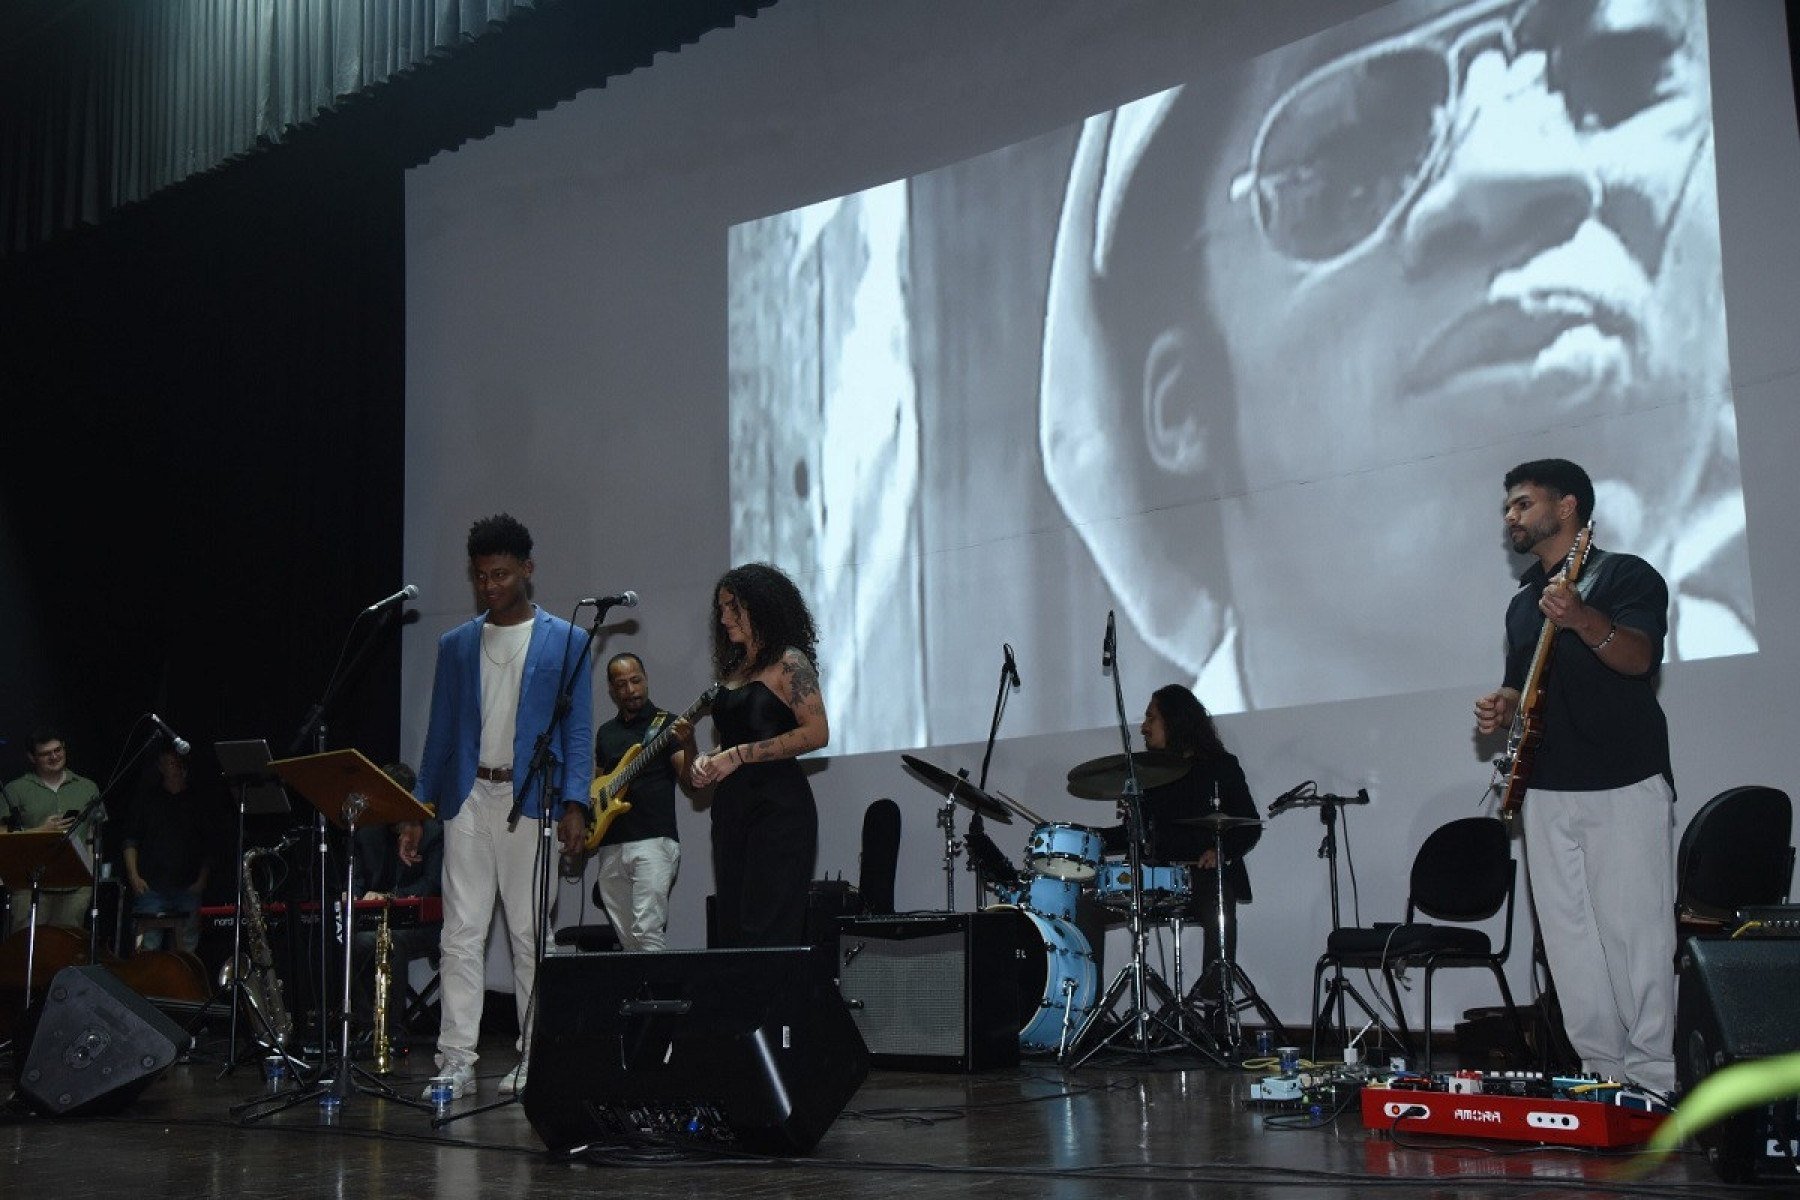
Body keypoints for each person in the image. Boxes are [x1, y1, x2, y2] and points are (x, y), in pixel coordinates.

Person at [1039, 0, 1747, 712]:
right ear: (1184, 404)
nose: (1526, 168)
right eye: (1355, 148)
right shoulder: (1192, 812)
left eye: (1621, 71)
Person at [1474, 458, 1675, 1097]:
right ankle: (1599, 1076)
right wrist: (1502, 704)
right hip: (1545, 786)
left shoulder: (1626, 574)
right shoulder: (1521, 604)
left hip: (1623, 778)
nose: (1512, 516)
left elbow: (1639, 658)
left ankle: (1655, 1078)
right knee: (1568, 944)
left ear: (1568, 508)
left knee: (1635, 935)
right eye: (1508, 507)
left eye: (1524, 503)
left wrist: (1583, 618)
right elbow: (1521, 681)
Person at [415, 514, 593, 1100]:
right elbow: (440, 733)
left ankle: (533, 1056)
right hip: (468, 798)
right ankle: (456, 1061)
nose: (489, 586)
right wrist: (420, 806)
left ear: (527, 571)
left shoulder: (566, 640)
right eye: (480, 577)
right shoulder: (457, 645)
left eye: (500, 574)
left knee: (527, 933)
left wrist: (574, 804)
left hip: (532, 800)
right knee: (460, 934)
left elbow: (577, 733)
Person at [688, 563, 829, 948]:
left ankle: (777, 1010)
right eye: (721, 608)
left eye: (733, 607)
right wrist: (710, 760)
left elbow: (816, 733)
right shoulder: (735, 668)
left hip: (778, 809)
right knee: (732, 930)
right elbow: (739, 736)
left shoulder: (789, 661)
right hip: (732, 809)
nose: (723, 617)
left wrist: (736, 755)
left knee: (766, 930)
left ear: (760, 606)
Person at [1097, 685, 1260, 1000]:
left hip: (1201, 878)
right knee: (1088, 907)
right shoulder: (1148, 774)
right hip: (1155, 880)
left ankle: (1215, 1011)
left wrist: (1220, 850)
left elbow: (1247, 826)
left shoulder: (1221, 766)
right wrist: (1089, 837)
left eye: (1151, 718)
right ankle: (1081, 1014)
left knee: (1219, 900)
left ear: (1176, 720)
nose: (1143, 727)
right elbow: (1134, 834)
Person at [591, 653, 694, 952]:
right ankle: (641, 995)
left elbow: (689, 781)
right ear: (612, 690)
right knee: (629, 940)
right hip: (611, 845)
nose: (631, 689)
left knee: (648, 930)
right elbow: (598, 786)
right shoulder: (605, 733)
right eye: (621, 684)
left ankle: (655, 999)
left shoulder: (668, 724)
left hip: (654, 840)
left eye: (636, 681)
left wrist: (689, 744)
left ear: (646, 679)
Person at [350, 762, 443, 1032]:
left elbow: (433, 886)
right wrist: (353, 895)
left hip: (422, 925)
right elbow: (358, 880)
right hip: (375, 921)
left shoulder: (432, 833)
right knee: (347, 942)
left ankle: (392, 1028)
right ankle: (366, 1022)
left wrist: (388, 897)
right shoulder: (368, 831)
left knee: (390, 940)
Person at [3, 727, 103, 933]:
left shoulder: (87, 787)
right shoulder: (15, 789)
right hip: (29, 884)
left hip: (75, 885)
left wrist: (92, 876)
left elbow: (95, 834)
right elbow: (3, 837)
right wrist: (42, 830)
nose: (54, 756)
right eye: (45, 753)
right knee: (26, 948)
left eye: (58, 750)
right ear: (32, 757)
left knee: (66, 950)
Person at [121, 746, 210, 952]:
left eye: (179, 762)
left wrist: (201, 880)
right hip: (151, 885)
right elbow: (130, 840)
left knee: (186, 950)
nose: (176, 767)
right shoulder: (146, 799)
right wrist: (133, 876)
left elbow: (208, 846)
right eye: (171, 762)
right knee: (147, 948)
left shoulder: (197, 801)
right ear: (160, 766)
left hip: (188, 885)